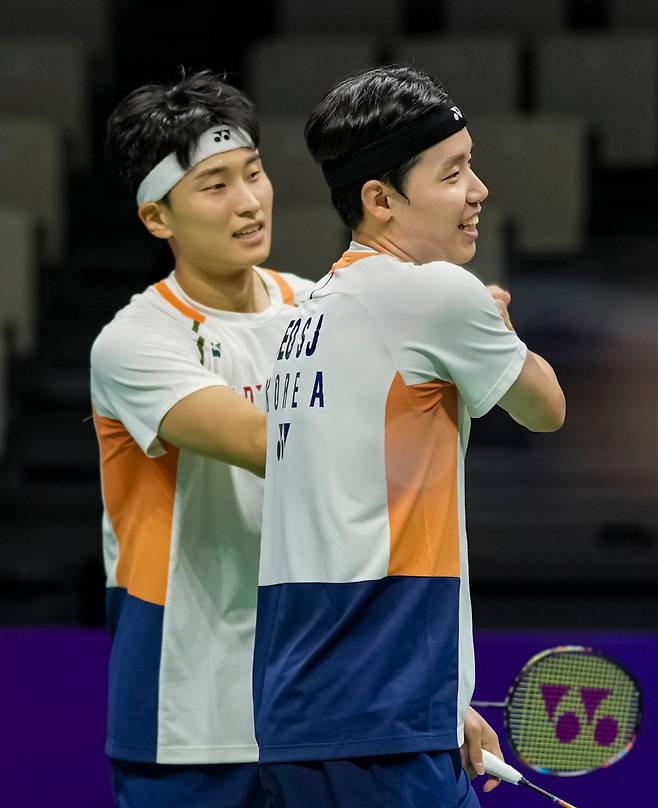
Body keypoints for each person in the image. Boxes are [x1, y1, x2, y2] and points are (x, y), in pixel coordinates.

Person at [253, 65, 566, 807]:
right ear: (380, 199)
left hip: (321, 714)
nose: (479, 189)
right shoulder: (432, 294)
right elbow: (546, 407)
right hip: (380, 726)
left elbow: (345, 524)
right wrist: (499, 328)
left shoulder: (304, 318)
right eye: (453, 172)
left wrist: (445, 702)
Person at [90, 70, 316, 807]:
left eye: (253, 173)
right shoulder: (135, 342)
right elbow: (266, 444)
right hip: (184, 712)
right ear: (159, 219)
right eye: (215, 185)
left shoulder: (322, 312)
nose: (249, 202)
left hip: (313, 704)